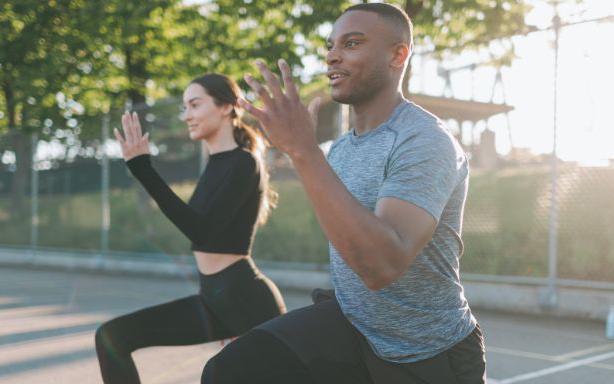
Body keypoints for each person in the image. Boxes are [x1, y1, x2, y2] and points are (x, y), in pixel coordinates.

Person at [201, 3, 485, 384]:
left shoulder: (425, 142)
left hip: (425, 348)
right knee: (231, 370)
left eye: (352, 43)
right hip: (352, 325)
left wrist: (303, 150)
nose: (332, 55)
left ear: (398, 54)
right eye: (331, 45)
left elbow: (381, 266)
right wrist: (308, 153)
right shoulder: (342, 149)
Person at [95, 74, 287, 384]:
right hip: (213, 297)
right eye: (184, 107)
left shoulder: (243, 163)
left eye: (195, 105)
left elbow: (201, 231)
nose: (187, 115)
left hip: (246, 300)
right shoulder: (216, 163)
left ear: (226, 107)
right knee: (112, 337)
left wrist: (144, 169)